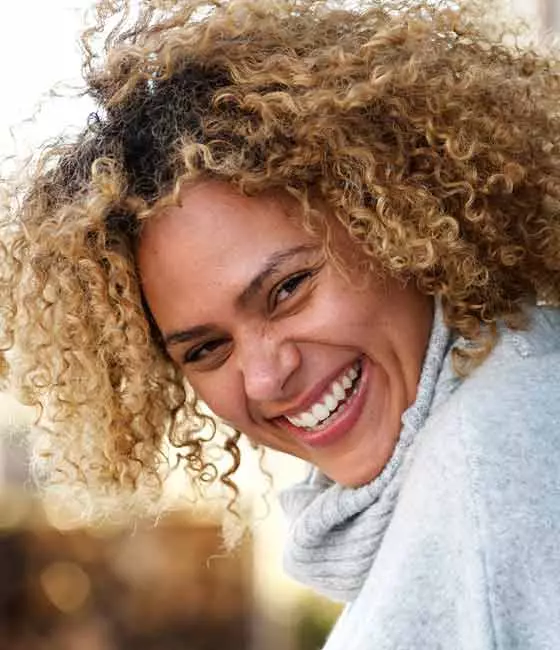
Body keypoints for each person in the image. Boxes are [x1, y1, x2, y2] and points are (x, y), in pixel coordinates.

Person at [1, 0, 560, 647]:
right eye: (208, 348)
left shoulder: (491, 458)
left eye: (288, 289)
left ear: (390, 212)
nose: (266, 378)